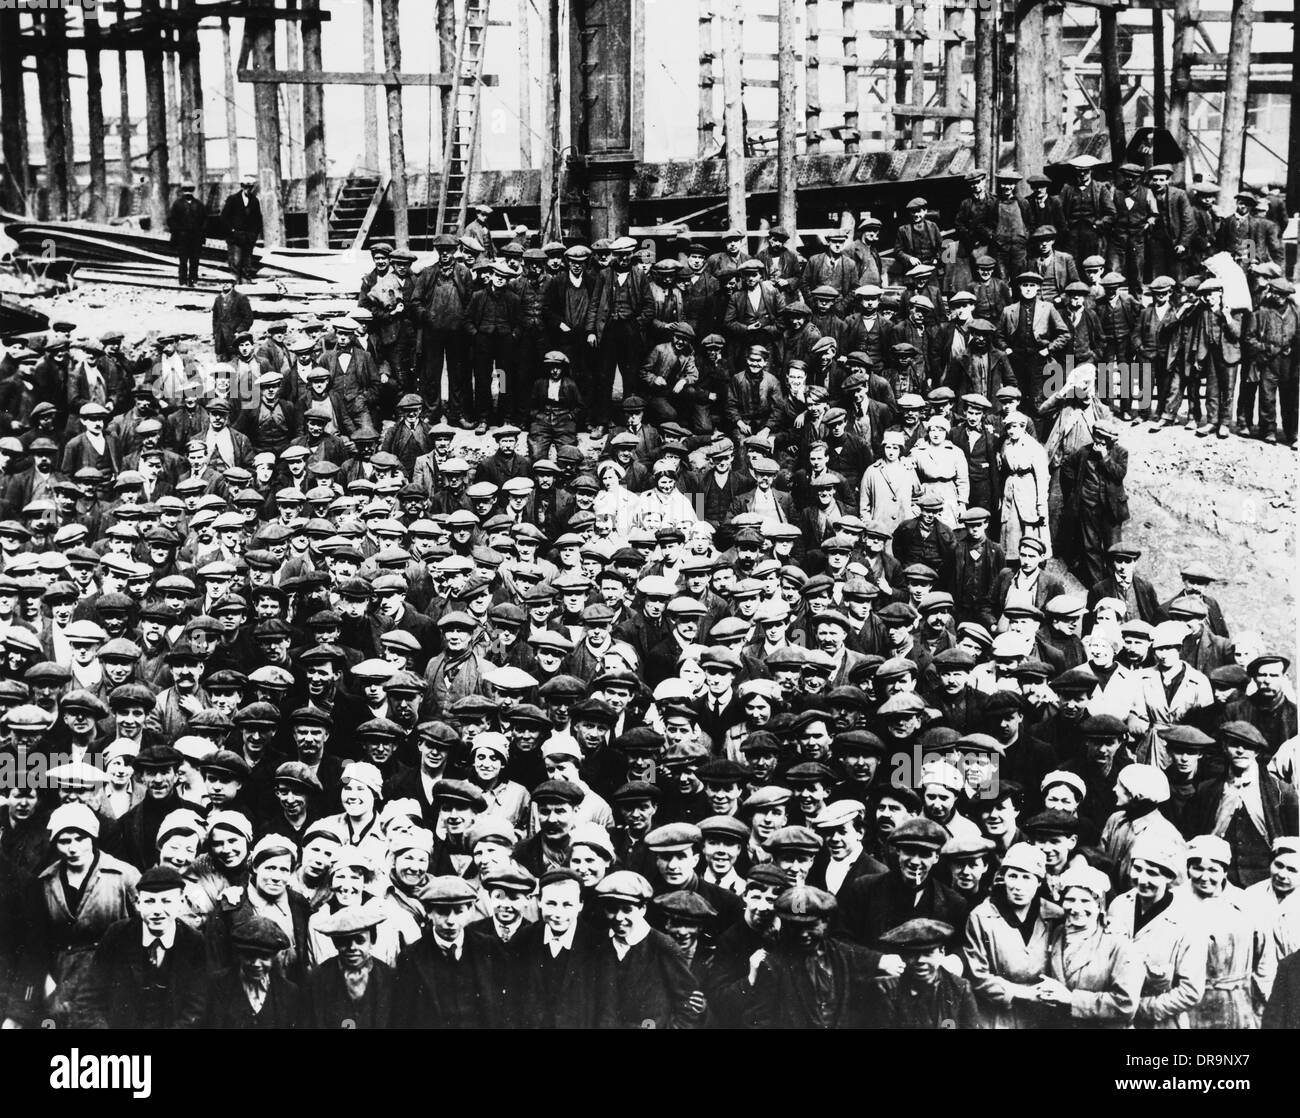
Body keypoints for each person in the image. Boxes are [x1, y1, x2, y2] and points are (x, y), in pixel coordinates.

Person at [1038, 863, 1143, 1028]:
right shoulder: (1057, 933)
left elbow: (1126, 1004)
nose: (1076, 908)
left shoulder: (1117, 942)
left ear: (1100, 905)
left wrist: (1072, 999)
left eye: (1085, 901)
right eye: (1070, 899)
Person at [870, 917, 981, 1029]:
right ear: (903, 956)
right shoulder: (888, 990)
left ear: (942, 952)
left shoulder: (959, 988)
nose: (920, 960)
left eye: (928, 953)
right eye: (912, 954)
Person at [219, 173, 263, 282]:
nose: (248, 189)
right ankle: (234, 285)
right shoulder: (233, 199)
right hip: (235, 238)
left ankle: (245, 285)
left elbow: (258, 219)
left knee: (247, 263)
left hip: (248, 238)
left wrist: (254, 234)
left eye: (250, 187)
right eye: (246, 186)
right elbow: (224, 217)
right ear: (242, 186)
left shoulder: (255, 201)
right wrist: (232, 231)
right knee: (235, 262)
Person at [167, 181, 207, 288]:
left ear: (193, 191)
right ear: (183, 191)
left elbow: (204, 221)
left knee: (195, 260)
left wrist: (201, 233)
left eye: (190, 190)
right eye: (185, 190)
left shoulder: (199, 205)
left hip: (195, 237)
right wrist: (178, 231)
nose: (187, 192)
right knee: (183, 260)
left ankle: (193, 280)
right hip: (182, 237)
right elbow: (171, 220)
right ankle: (183, 281)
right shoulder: (177, 204)